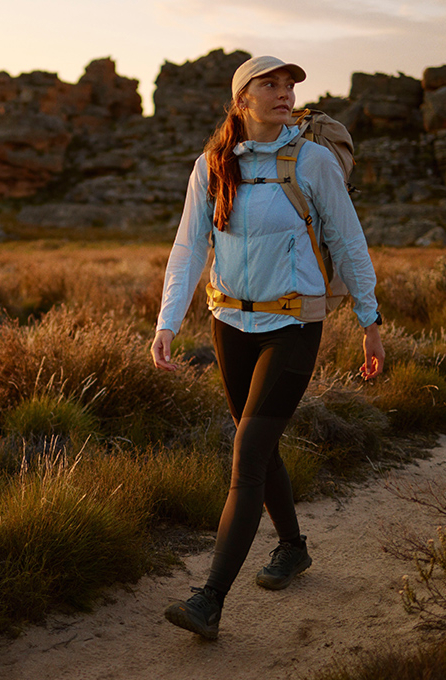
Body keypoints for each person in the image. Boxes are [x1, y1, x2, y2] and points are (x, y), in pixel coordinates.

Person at [150, 55, 385, 640]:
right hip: (228, 323)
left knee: (248, 451)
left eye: (289, 86)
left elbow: (347, 238)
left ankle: (209, 600)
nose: (284, 93)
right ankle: (294, 547)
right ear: (241, 100)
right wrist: (168, 322)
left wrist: (369, 318)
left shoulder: (312, 161)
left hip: (294, 324)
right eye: (270, 84)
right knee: (260, 441)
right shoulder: (210, 167)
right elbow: (187, 248)